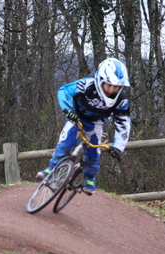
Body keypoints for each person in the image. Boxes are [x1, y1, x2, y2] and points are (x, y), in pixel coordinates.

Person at [36, 58, 131, 195]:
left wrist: (118, 146)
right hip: (77, 118)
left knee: (93, 154)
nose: (111, 89)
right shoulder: (85, 85)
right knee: (65, 144)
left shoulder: (121, 101)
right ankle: (52, 169)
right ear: (100, 80)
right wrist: (68, 110)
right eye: (108, 85)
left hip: (96, 124)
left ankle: (89, 178)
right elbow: (64, 91)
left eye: (116, 87)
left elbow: (123, 123)